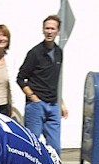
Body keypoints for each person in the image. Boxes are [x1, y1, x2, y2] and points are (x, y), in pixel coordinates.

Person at [16, 14, 68, 155]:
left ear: (58, 31)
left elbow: (56, 80)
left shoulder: (59, 52)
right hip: (36, 106)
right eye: (47, 28)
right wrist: (33, 98)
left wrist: (61, 102)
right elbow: (20, 78)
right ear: (43, 30)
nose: (49, 31)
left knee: (55, 148)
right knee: (33, 147)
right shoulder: (35, 53)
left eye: (52, 29)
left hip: (53, 106)